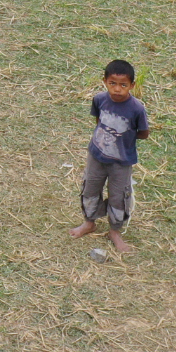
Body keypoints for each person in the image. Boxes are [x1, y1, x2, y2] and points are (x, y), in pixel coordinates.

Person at [70, 59, 149, 254]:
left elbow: (144, 133)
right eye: (112, 83)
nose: (117, 89)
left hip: (121, 163)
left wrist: (123, 140)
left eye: (123, 85)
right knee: (90, 188)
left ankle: (115, 231)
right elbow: (99, 121)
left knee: (118, 196)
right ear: (104, 81)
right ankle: (89, 222)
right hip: (96, 155)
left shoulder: (137, 109)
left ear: (132, 85)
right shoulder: (99, 99)